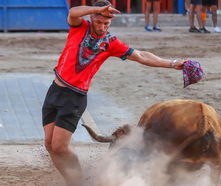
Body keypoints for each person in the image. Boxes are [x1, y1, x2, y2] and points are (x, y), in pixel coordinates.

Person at [42, 1, 187, 185]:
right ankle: (71, 180)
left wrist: (173, 63)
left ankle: (78, 183)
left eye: (106, 24)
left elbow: (141, 56)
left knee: (59, 147)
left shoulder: (111, 42)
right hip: (55, 90)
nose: (102, 27)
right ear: (92, 18)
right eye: (99, 22)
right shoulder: (79, 27)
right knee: (49, 144)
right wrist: (97, 9)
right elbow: (73, 12)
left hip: (75, 97)